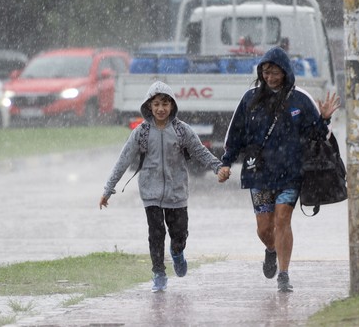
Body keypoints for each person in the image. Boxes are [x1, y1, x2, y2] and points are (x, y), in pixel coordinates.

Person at [216, 46, 340, 292]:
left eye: (274, 72)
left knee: (283, 218)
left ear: (285, 72)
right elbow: (235, 133)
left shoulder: (300, 98)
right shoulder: (249, 98)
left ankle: (284, 274)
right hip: (258, 173)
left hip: (290, 173)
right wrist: (226, 162)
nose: (270, 77)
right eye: (265, 72)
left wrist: (324, 119)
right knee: (264, 228)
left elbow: (318, 135)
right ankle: (270, 250)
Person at [99, 81, 224, 292]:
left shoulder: (182, 130)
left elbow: (200, 151)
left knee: (179, 234)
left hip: (177, 193)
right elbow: (123, 160)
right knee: (155, 235)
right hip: (151, 193)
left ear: (172, 106)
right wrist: (108, 189)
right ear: (149, 106)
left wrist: (217, 167)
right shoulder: (141, 132)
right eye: (156, 104)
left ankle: (177, 253)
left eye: (165, 104)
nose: (160, 108)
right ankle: (158, 272)